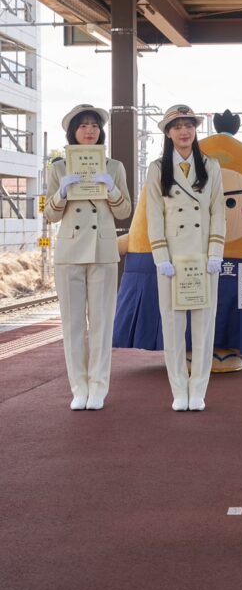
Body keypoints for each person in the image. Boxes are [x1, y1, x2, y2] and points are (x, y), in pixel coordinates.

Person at [45, 103, 131, 410]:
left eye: (94, 125)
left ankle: (98, 387)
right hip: (69, 251)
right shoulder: (58, 168)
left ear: (100, 131)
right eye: (82, 125)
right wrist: (62, 193)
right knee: (72, 325)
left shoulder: (114, 167)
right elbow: (49, 215)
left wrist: (111, 190)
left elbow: (125, 211)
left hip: (103, 250)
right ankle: (78, 387)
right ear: (72, 132)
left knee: (102, 323)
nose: (89, 130)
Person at [146, 104, 226, 411]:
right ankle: (179, 389)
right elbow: (154, 214)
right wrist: (160, 256)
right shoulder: (157, 168)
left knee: (204, 326)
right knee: (173, 325)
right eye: (177, 126)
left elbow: (218, 211)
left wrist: (216, 252)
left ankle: (199, 389)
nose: (184, 131)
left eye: (189, 125)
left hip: (204, 257)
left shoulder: (210, 165)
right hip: (172, 260)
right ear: (168, 133)